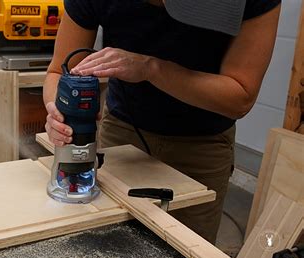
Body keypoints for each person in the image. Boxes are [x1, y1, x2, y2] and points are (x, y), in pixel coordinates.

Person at [43, 0, 281, 244]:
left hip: (203, 145)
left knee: (189, 249)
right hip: (123, 135)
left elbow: (240, 97)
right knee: (108, 242)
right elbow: (59, 72)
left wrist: (151, 69)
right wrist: (59, 112)